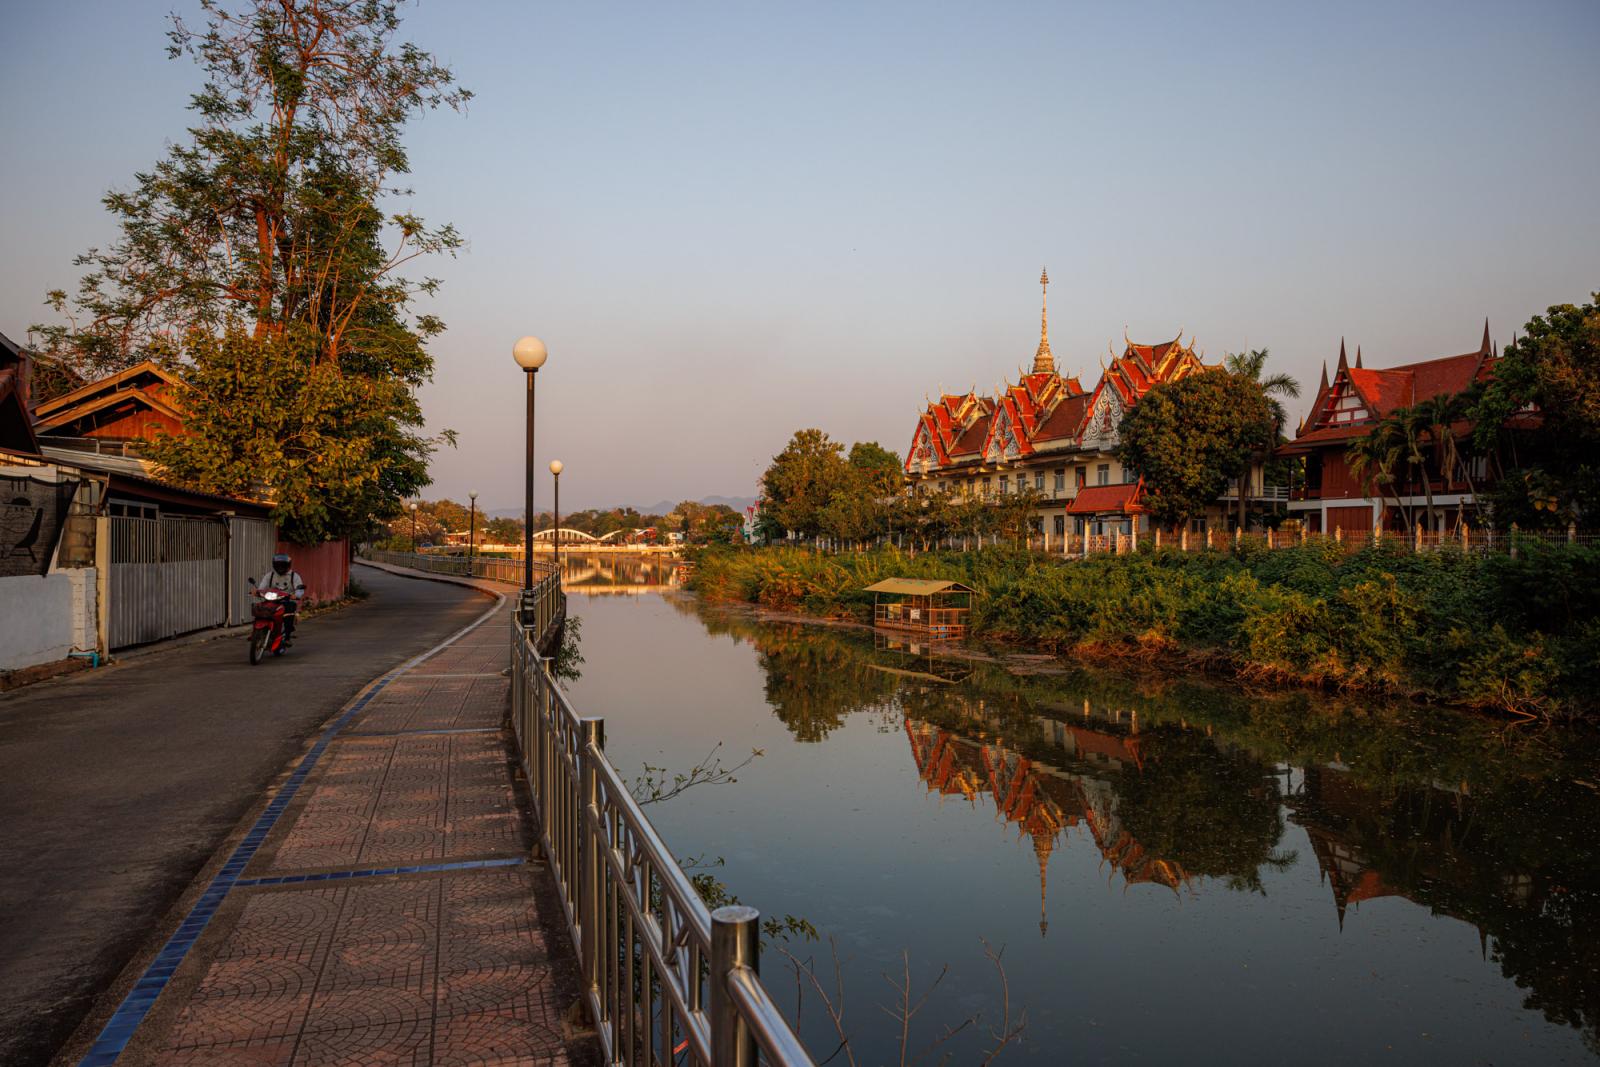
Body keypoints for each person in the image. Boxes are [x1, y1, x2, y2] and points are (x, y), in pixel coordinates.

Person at [256, 553, 307, 644]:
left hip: (287, 601)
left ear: (288, 565)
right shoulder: (270, 575)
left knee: (288, 613)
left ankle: (287, 636)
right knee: (259, 609)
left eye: (283, 565)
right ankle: (257, 632)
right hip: (272, 600)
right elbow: (262, 587)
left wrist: (296, 595)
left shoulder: (294, 576)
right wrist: (257, 591)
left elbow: (299, 588)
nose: (280, 567)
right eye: (278, 565)